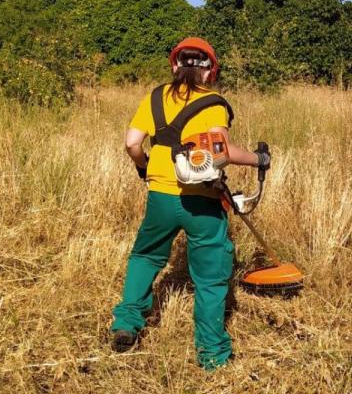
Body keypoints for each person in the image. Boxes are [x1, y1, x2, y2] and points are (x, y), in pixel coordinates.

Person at [110, 37, 270, 370]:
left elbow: (131, 143)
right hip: (203, 202)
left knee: (146, 255)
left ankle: (126, 323)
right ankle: (212, 354)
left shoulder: (155, 97)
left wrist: (144, 165)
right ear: (211, 71)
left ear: (174, 65)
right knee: (210, 277)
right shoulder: (213, 102)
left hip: (161, 197)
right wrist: (258, 159)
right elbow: (222, 152)